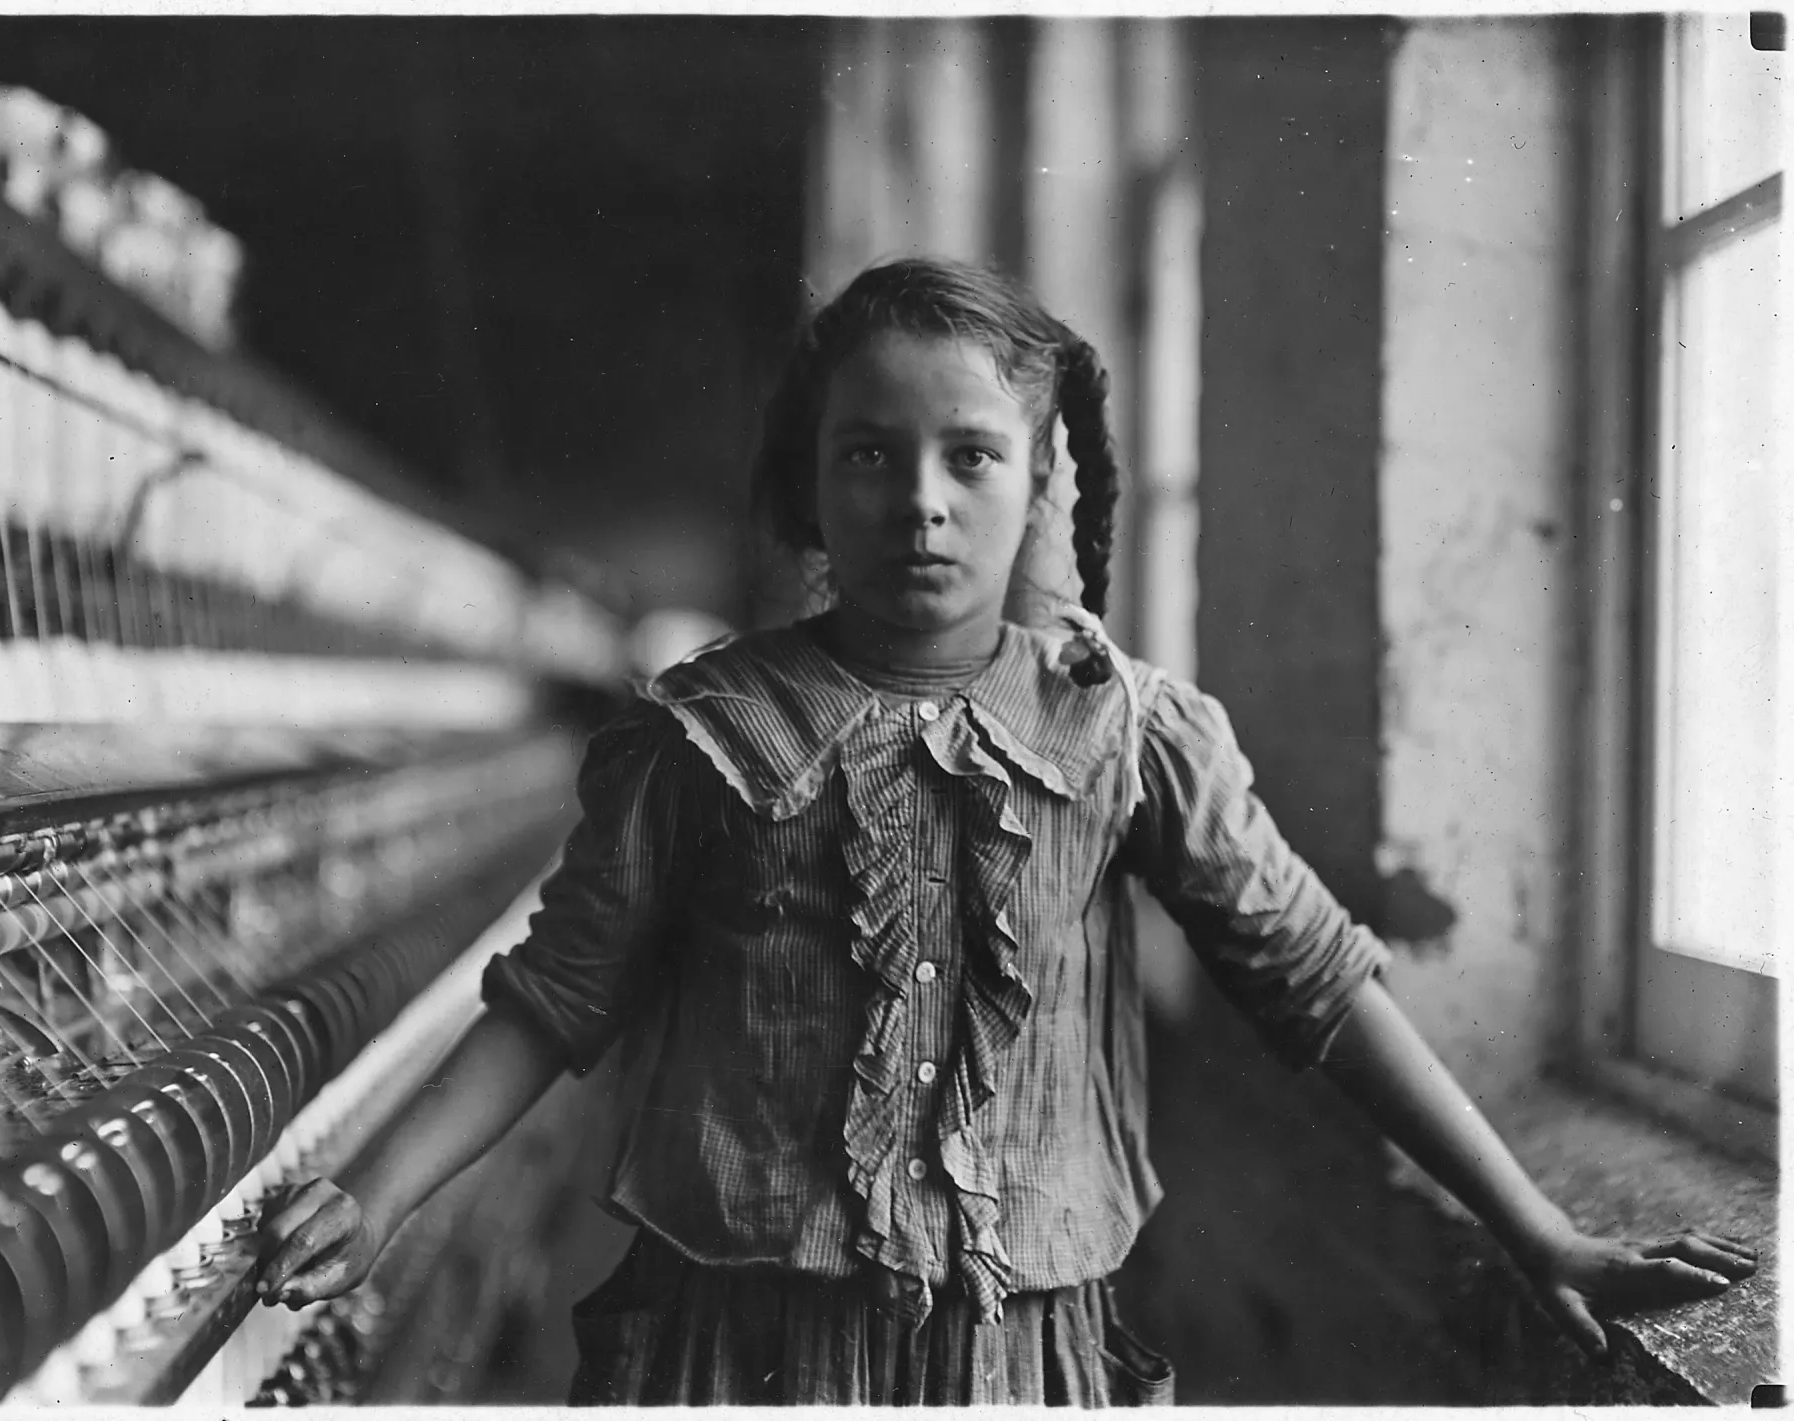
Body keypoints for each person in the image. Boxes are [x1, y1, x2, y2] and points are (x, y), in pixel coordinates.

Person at [252, 258, 1757, 1405]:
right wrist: (378, 1199)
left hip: (1018, 1359)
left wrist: (1537, 1229)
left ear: (1040, 480)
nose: (919, 502)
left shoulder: (1130, 732)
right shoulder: (696, 736)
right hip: (737, 1351)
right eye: (869, 454)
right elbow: (553, 999)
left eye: (969, 457)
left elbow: (1318, 982)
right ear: (807, 481)